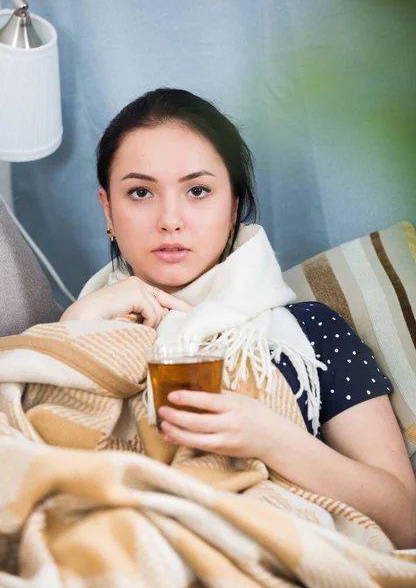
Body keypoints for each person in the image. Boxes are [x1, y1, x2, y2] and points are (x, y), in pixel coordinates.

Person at [61, 88, 416, 548]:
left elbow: (405, 520)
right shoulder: (80, 324)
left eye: (198, 190)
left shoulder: (310, 333)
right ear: (108, 210)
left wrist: (273, 440)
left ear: (233, 207)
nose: (171, 219)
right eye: (141, 192)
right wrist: (74, 329)